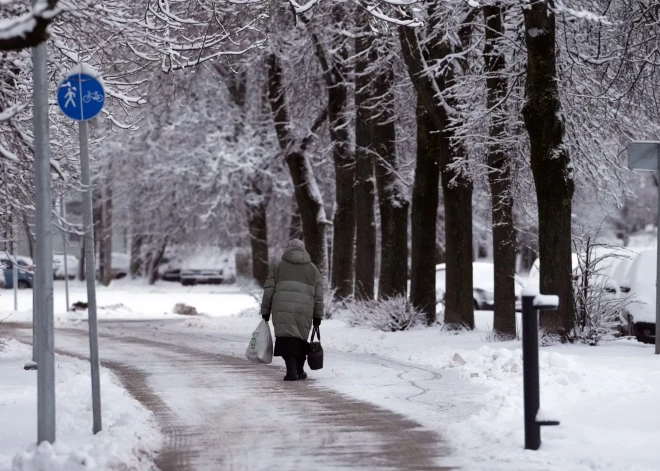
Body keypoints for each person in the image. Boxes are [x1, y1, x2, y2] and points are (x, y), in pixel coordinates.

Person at [260, 239, 323, 381]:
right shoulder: (313, 269)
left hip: (282, 308)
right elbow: (318, 296)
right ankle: (299, 371)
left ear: (287, 249)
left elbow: (269, 290)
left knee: (286, 339)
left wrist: (265, 311)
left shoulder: (278, 267)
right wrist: (317, 315)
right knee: (300, 339)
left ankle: (291, 371)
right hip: (304, 309)